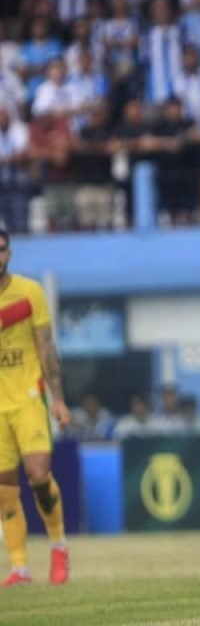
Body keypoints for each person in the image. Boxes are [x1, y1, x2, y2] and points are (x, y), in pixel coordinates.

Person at [0, 228, 71, 585]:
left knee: (39, 475)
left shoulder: (29, 293)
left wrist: (57, 398)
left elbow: (46, 347)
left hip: (28, 397)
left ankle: (59, 547)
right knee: (3, 490)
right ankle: (19, 568)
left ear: (8, 254)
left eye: (0, 250)